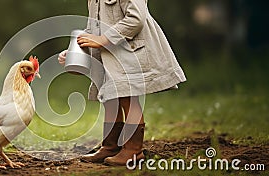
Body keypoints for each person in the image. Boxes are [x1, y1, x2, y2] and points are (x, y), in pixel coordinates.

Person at [58, 0, 186, 166]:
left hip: (130, 51)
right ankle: (111, 146)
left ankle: (133, 150)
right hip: (108, 54)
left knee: (127, 97)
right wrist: (76, 51)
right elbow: (93, 29)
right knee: (110, 99)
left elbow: (135, 19)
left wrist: (103, 39)